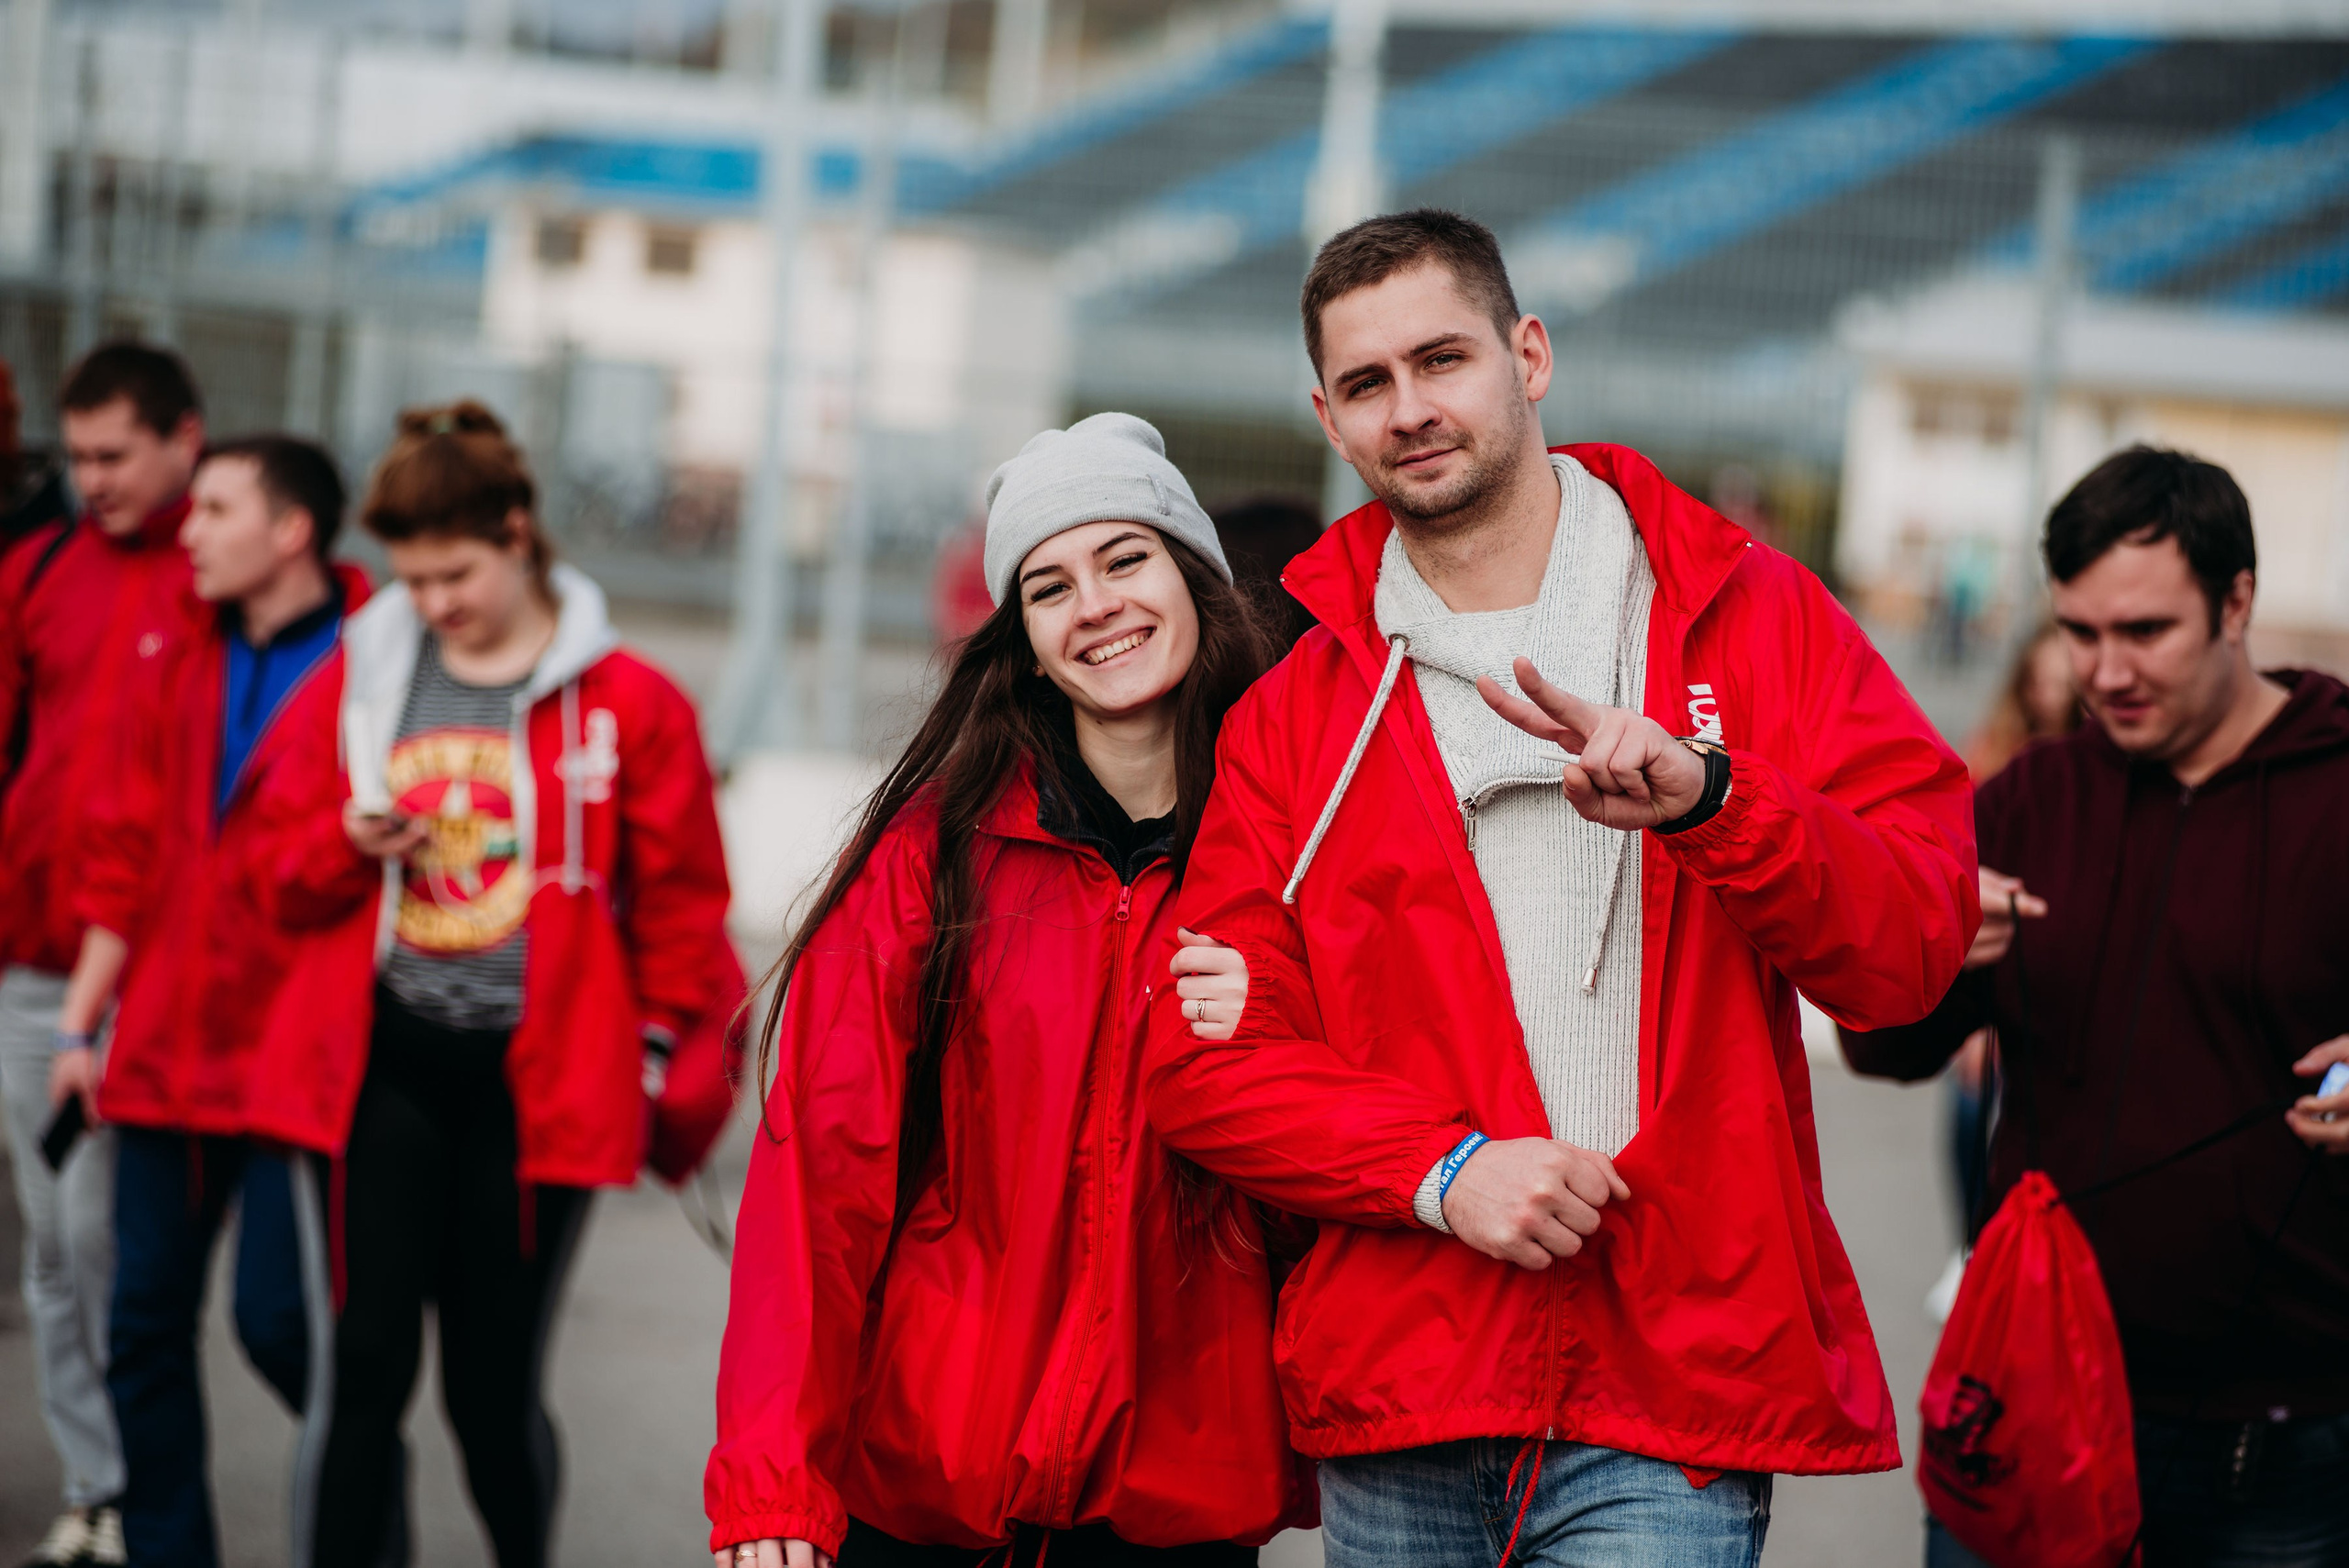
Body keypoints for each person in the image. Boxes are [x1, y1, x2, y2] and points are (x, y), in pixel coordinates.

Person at [1142, 209, 1976, 1565]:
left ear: (1528, 355)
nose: (1410, 408)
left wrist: (1718, 801)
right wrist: (1443, 1170)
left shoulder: (1748, 614)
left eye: (1442, 359)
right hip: (1403, 1386)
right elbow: (1207, 1067)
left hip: (1669, 1396)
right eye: (1368, 384)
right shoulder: (1299, 708)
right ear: (1328, 417)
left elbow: (1913, 952)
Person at [705, 413, 1302, 1568]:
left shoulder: (1295, 850)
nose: (1096, 605)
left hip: (1177, 1501)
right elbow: (817, 1181)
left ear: (1193, 578)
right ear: (1023, 641)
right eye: (1048, 586)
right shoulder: (930, 856)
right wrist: (774, 1480)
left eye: (1126, 559)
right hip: (926, 1486)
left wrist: (1281, 1023)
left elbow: (1361, 1150)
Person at [241, 401, 741, 1568]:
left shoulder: (630, 700)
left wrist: (655, 1052)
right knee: (361, 1366)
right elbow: (268, 868)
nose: (434, 602)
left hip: (538, 1087)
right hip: (386, 1069)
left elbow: (683, 902)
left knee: (489, 1388)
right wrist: (342, 842)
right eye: (411, 578)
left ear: (518, 533)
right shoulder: (366, 679)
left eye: (455, 571)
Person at [1841, 446, 2349, 1567]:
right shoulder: (2030, 797)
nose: (2104, 670)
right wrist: (1918, 950)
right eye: (2078, 632)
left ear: (2237, 602)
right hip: (2022, 1402)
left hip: (2276, 1450)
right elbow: (1882, 1047)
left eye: (2144, 632)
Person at [41, 436, 386, 1568]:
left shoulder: (381, 658)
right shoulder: (181, 650)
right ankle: (169, 1550)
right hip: (170, 1045)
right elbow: (127, 852)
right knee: (140, 1322)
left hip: (298, 1046)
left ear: (290, 530)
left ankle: (366, 1520)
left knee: (284, 1326)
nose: (185, 530)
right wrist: (83, 1022)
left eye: (215, 509)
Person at [0, 341, 206, 1568]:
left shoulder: (220, 570)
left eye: (114, 455)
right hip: (31, 955)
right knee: (53, 1245)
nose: (92, 480)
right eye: (75, 458)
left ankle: (140, 1485)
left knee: (104, 1237)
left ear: (186, 437)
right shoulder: (36, 572)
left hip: (151, 970)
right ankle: (97, 1489)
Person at [1920, 623, 2081, 1321]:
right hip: (1992, 958)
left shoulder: (2092, 772)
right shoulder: (1998, 758)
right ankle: (1972, 1248)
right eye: (2037, 680)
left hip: (2054, 965)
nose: (2048, 694)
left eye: (2060, 683)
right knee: (1966, 1099)